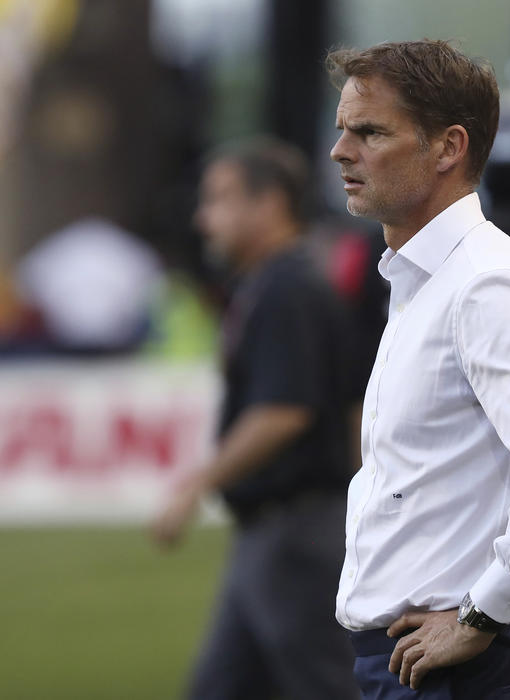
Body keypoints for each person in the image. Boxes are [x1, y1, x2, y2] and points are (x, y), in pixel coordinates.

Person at [326, 40, 510, 698]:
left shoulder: (485, 283)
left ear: (448, 148)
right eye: (343, 130)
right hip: (414, 659)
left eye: (369, 132)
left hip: (457, 668)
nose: (341, 150)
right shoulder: (425, 277)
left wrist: (484, 610)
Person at [150, 137, 360, 699]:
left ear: (268, 204)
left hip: (294, 532)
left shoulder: (286, 289)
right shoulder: (277, 283)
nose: (203, 218)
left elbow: (284, 411)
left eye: (218, 199)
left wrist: (196, 484)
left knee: (325, 686)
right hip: (274, 534)